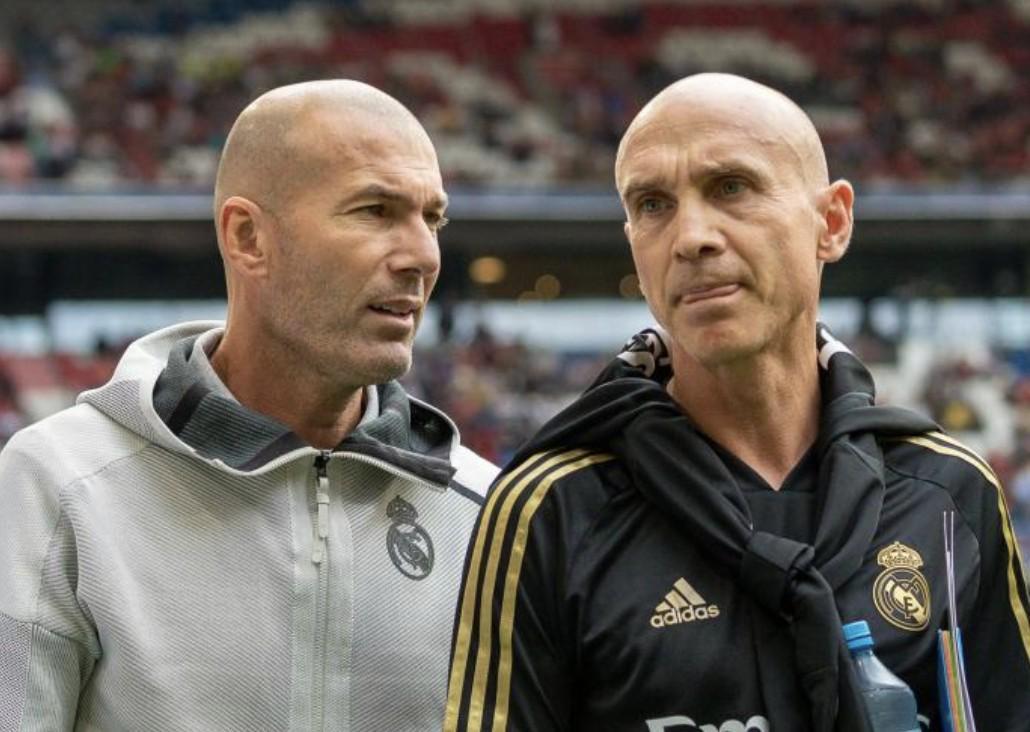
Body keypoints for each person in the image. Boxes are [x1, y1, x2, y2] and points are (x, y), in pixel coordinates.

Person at [445, 73, 1030, 732]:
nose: (691, 236)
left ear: (832, 222)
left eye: (731, 187)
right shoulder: (549, 510)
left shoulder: (948, 496)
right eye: (653, 204)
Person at [0, 80, 498, 731]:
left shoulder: (491, 517)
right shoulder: (61, 485)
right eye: (375, 210)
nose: (423, 256)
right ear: (248, 238)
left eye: (432, 219)